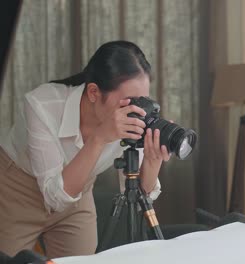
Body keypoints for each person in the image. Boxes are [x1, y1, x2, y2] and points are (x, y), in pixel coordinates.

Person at [0, 40, 171, 258]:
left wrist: (152, 161)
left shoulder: (133, 116)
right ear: (93, 92)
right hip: (16, 191)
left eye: (142, 100)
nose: (135, 110)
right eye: (127, 101)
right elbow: (55, 196)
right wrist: (100, 137)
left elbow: (138, 197)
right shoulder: (42, 104)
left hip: (78, 193)